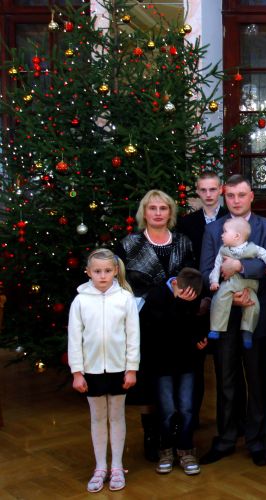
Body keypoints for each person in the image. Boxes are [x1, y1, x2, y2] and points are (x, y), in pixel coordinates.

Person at [199, 174, 266, 467]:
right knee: (226, 379)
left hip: (256, 313)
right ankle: (225, 438)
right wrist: (230, 295)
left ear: (251, 196)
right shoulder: (213, 230)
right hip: (223, 315)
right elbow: (205, 270)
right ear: (225, 197)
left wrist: (240, 266)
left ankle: (257, 441)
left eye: (241, 195)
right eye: (231, 195)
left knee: (256, 380)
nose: (236, 201)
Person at [115, 189, 195, 462]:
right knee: (150, 383)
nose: (158, 213)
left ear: (170, 213)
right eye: (153, 208)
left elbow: (192, 278)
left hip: (179, 323)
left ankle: (178, 438)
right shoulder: (129, 244)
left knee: (179, 383)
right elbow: (121, 284)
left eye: (163, 208)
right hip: (145, 323)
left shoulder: (184, 241)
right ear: (144, 213)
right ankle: (153, 436)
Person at [67, 248, 140, 493]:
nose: (102, 276)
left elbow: (133, 336)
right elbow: (74, 338)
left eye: (107, 271)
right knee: (97, 418)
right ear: (88, 272)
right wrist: (77, 372)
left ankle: (117, 466)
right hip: (91, 370)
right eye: (97, 271)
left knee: (117, 416)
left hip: (119, 369)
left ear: (115, 271)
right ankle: (100, 467)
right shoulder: (80, 301)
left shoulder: (125, 299)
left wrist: (131, 368)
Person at [140, 267, 206, 476]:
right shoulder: (157, 295)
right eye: (185, 294)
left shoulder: (193, 294)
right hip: (162, 364)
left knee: (187, 408)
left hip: (187, 362)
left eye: (192, 296)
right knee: (166, 409)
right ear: (175, 283)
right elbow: (159, 327)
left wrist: (200, 339)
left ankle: (186, 448)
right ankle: (166, 449)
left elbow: (195, 323)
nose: (189, 298)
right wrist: (179, 303)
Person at [175, 170, 228, 430]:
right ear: (197, 191)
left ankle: (228, 422)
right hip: (196, 300)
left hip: (226, 297)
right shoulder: (187, 223)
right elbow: (185, 263)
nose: (208, 195)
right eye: (203, 190)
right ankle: (191, 419)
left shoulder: (231, 218)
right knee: (194, 364)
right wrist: (198, 298)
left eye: (213, 189)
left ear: (221, 190)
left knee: (225, 364)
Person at [208, 217, 266, 349]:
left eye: (225, 232)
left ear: (236, 236)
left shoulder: (253, 248)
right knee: (219, 298)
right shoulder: (223, 250)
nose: (222, 235)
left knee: (253, 305)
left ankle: (247, 331)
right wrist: (214, 281)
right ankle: (216, 328)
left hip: (249, 285)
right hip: (229, 284)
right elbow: (216, 267)